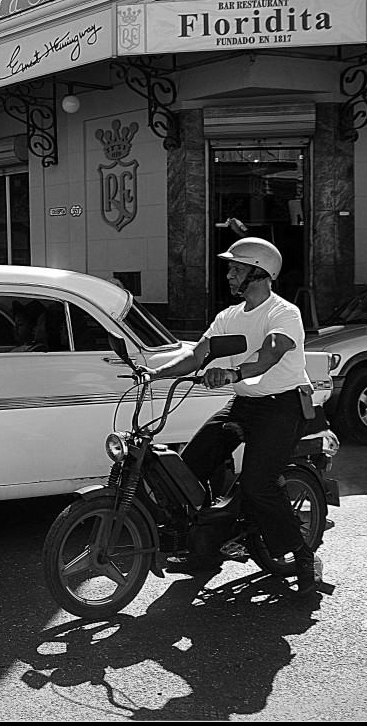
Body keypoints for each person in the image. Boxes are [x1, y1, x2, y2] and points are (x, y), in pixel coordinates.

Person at [140, 237, 319, 598]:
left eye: (236, 268)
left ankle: (302, 556)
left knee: (258, 483)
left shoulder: (283, 312)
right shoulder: (229, 317)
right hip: (245, 404)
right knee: (187, 467)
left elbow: (271, 352)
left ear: (259, 273)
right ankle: (207, 544)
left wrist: (234, 373)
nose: (229, 274)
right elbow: (197, 355)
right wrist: (154, 373)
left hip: (282, 404)